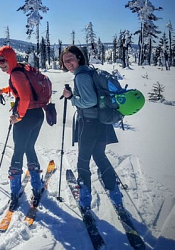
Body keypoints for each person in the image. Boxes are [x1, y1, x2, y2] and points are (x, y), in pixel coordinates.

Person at [60, 45, 123, 213]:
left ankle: (85, 197)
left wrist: (71, 97)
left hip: (88, 123)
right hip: (102, 121)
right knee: (100, 156)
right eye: (65, 61)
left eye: (70, 59)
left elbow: (89, 101)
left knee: (83, 160)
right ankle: (115, 194)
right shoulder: (90, 71)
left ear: (79, 58)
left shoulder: (81, 76)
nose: (67, 63)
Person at [0, 46, 44, 210]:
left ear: (11, 59)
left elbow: (25, 97)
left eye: (3, 61)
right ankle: (36, 186)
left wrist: (18, 116)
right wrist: (4, 90)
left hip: (26, 117)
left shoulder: (15, 73)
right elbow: (21, 89)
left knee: (18, 151)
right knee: (29, 147)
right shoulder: (20, 69)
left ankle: (15, 192)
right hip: (37, 115)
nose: (1, 65)